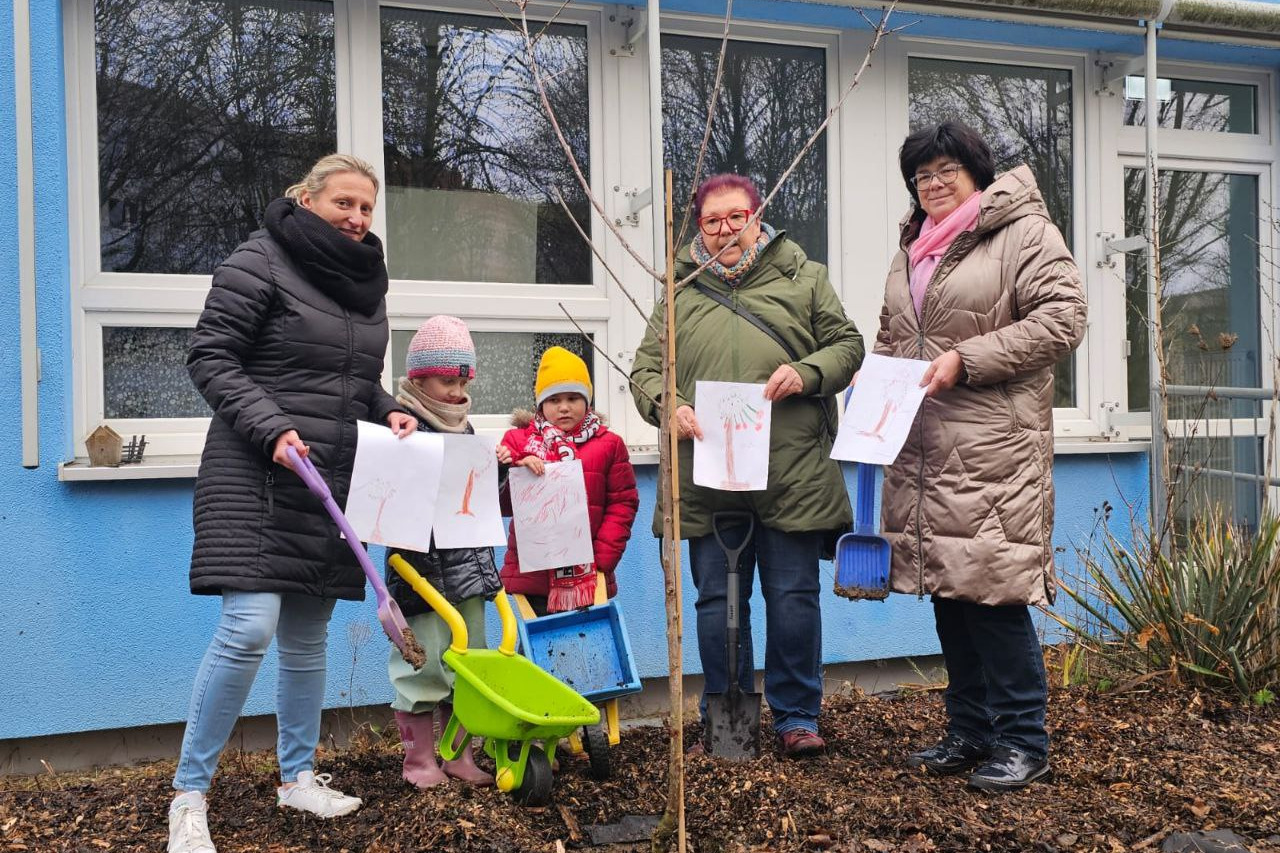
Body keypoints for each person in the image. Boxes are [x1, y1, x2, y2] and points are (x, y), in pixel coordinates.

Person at [170, 154, 417, 853]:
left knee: (308, 635)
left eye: (367, 208)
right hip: (256, 468)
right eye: (344, 202)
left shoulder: (367, 283)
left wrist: (390, 408)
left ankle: (298, 775)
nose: (357, 218)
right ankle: (189, 794)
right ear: (306, 199)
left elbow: (353, 382)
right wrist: (269, 425)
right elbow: (211, 355)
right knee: (250, 625)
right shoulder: (261, 258)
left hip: (328, 477)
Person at [875, 121, 1086, 791]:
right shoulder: (914, 246)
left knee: (993, 594)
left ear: (976, 171)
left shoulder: (1024, 234)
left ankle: (1025, 740)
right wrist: (874, 379)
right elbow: (895, 332)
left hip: (995, 446)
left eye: (945, 171)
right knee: (950, 590)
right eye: (921, 176)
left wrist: (967, 360)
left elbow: (1064, 317)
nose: (933, 185)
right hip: (926, 446)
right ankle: (968, 731)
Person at [630, 173, 864, 759]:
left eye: (736, 217)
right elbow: (644, 371)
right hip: (708, 473)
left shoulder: (803, 277)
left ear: (758, 217)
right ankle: (723, 707)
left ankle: (795, 715)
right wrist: (670, 405)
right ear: (698, 230)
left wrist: (807, 373)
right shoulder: (679, 290)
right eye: (711, 221)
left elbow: (848, 345)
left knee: (793, 597)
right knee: (716, 602)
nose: (725, 230)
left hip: (791, 472)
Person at [384, 315, 503, 789]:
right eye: (444, 381)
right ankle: (417, 760)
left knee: (468, 660)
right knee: (422, 663)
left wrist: (500, 471)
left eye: (461, 381)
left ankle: (458, 754)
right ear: (417, 379)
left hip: (467, 569)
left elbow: (476, 500)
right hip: (421, 571)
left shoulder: (467, 432)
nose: (455, 392)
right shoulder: (400, 429)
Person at [499, 346, 639, 615]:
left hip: (588, 575)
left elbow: (623, 503)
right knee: (534, 650)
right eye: (554, 400)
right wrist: (512, 467)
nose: (564, 407)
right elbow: (502, 505)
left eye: (573, 398)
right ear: (541, 404)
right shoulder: (519, 443)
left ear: (587, 401)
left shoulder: (609, 445)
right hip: (535, 573)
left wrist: (602, 559)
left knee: (587, 645)